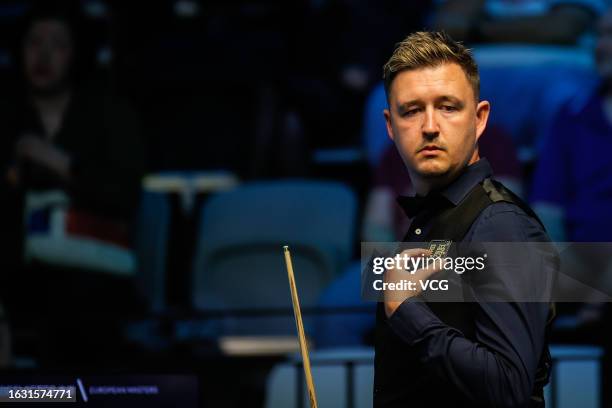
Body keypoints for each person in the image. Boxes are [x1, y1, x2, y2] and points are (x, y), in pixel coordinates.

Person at [374, 32, 555, 407]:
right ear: (391, 126)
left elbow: (508, 389)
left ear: (479, 118)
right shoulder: (433, 218)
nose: (429, 126)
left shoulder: (500, 225)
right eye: (411, 110)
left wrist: (404, 309)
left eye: (448, 107)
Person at [0, 4, 145, 367]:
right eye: (34, 43)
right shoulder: (6, 114)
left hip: (91, 281)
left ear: (77, 53)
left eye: (58, 45)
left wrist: (60, 163)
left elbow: (123, 196)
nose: (43, 55)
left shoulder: (111, 115)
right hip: (13, 278)